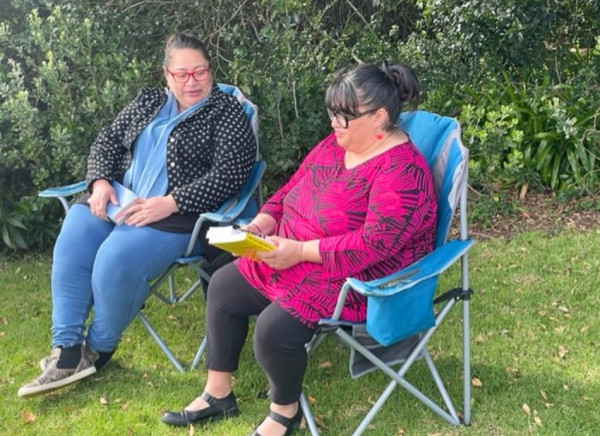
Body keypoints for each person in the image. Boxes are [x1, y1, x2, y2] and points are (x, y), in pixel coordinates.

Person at [161, 61, 438, 436]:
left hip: (354, 279)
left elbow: (375, 244)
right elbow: (290, 189)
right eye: (332, 113)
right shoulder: (334, 145)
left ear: (380, 117)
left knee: (274, 329)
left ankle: (284, 412)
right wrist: (260, 224)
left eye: (343, 116)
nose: (334, 124)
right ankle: (218, 393)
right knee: (224, 286)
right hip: (294, 253)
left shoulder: (401, 170)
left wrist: (301, 251)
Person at [17, 33, 257, 398]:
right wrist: (99, 181)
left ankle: (97, 349)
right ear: (167, 75)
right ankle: (66, 350)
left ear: (210, 70)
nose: (192, 81)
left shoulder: (225, 113)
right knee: (74, 237)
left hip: (177, 213)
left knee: (115, 258)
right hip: (118, 199)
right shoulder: (148, 101)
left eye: (200, 71)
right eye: (182, 74)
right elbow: (109, 140)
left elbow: (232, 173)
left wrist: (172, 202)